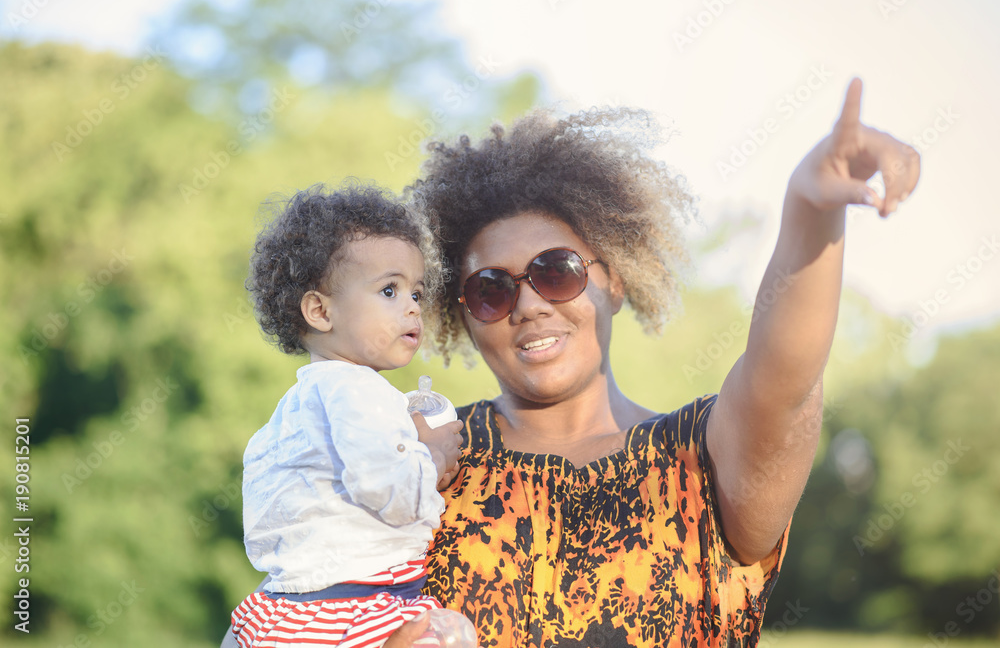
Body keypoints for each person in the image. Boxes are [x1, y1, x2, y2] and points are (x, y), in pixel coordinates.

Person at [377, 79, 919, 648]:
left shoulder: (707, 460)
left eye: (556, 271)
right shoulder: (422, 461)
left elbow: (783, 376)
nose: (531, 305)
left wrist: (810, 210)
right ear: (461, 314)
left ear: (612, 280)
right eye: (491, 290)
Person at [229, 184, 465, 648]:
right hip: (355, 608)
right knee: (452, 635)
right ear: (320, 310)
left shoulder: (297, 404)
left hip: (286, 610)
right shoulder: (358, 390)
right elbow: (387, 490)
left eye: (417, 292)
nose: (413, 306)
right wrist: (432, 457)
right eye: (390, 290)